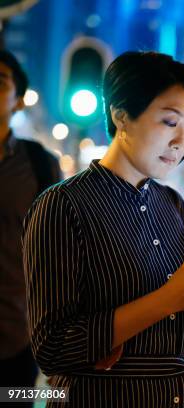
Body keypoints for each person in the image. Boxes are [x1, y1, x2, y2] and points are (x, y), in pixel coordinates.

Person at [22, 51, 184, 407]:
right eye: (169, 122)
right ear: (121, 115)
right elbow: (53, 348)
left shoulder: (172, 205)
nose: (181, 141)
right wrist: (172, 296)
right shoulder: (62, 205)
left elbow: (172, 334)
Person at [0, 50, 61, 405]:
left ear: (19, 101)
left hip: (16, 341)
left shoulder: (39, 164)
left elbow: (59, 253)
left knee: (15, 400)